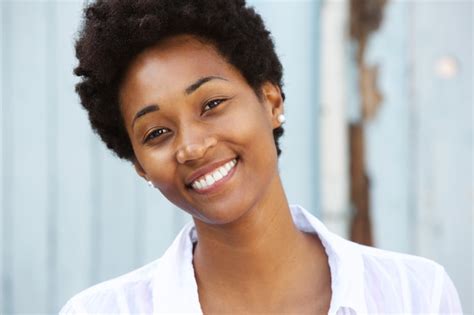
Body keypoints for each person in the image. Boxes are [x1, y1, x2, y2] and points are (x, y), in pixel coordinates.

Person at [60, 0, 463, 314]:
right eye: (157, 133)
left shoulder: (416, 294)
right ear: (139, 165)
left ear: (270, 102)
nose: (192, 147)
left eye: (212, 103)